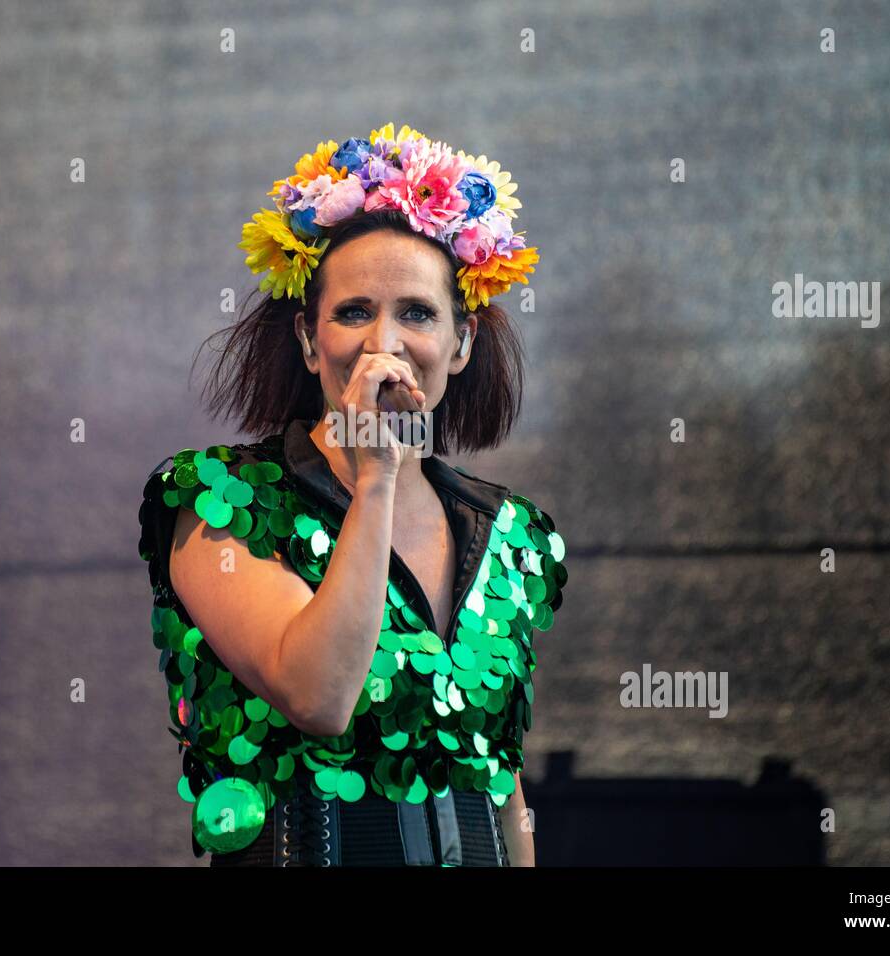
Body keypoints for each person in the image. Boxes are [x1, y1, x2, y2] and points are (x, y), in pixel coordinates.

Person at [137, 123, 567, 866]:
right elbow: (318, 697)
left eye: (418, 314)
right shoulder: (221, 501)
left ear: (461, 345)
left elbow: (502, 783)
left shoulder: (510, 535)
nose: (385, 344)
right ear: (310, 340)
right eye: (354, 312)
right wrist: (375, 480)